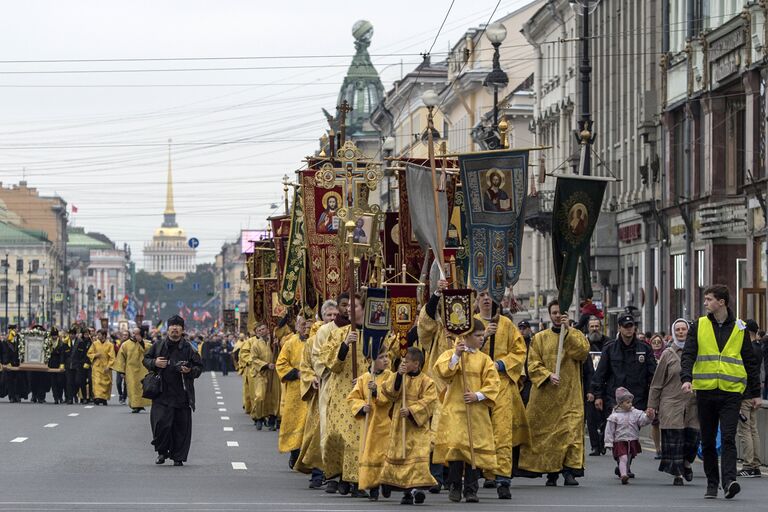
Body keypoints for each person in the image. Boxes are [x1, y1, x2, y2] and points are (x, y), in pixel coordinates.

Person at [680, 285, 762, 499]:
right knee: (707, 440)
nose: (705, 303)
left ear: (722, 302)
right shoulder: (698, 325)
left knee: (727, 438)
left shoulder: (739, 327)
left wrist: (755, 393)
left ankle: (729, 481)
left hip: (731, 392)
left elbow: (749, 361)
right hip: (706, 392)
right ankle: (711, 482)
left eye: (709, 299)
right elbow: (688, 354)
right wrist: (687, 378)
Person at [518, 300, 590, 486]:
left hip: (570, 395)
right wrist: (547, 375)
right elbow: (532, 364)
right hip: (546, 397)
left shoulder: (577, 335)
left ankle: (569, 471)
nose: (558, 316)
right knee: (548, 436)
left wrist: (568, 332)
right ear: (550, 315)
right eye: (555, 312)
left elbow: (581, 353)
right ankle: (551, 472)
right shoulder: (539, 338)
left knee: (570, 433)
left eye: (561, 313)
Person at [433, 318, 500, 503]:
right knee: (456, 450)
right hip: (455, 409)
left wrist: (478, 395)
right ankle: (455, 486)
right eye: (478, 335)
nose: (481, 338)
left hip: (476, 412)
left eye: (482, 335)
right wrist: (456, 355)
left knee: (473, 451)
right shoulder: (451, 354)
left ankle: (471, 489)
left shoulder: (484, 359)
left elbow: (494, 383)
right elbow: (442, 372)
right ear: (467, 336)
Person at [474, 291, 529, 499]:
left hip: (502, 383)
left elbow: (519, 351)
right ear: (477, 300)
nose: (486, 298)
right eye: (482, 294)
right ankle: (486, 472)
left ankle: (503, 478)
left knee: (502, 430)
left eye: (490, 295)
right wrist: (484, 336)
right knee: (481, 430)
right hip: (478, 383)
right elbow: (463, 349)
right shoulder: (472, 323)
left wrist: (502, 363)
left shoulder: (506, 324)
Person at [319, 294, 369, 497]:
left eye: (354, 306)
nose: (349, 309)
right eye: (347, 306)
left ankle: (357, 481)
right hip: (341, 391)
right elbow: (330, 363)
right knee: (337, 436)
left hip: (364, 391)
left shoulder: (376, 334)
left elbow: (386, 358)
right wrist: (345, 345)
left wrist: (368, 379)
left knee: (358, 438)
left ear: (363, 308)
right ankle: (338, 474)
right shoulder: (339, 334)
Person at [379, 346, 438, 504]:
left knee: (418, 457)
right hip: (400, 425)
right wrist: (399, 374)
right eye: (402, 361)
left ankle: (415, 489)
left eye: (406, 361)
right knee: (400, 456)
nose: (403, 364)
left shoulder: (428, 381)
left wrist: (412, 410)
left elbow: (430, 401)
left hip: (418, 427)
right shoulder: (400, 375)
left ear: (416, 364)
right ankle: (397, 487)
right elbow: (389, 392)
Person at [143, 315, 203, 466]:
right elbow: (146, 360)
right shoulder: (158, 345)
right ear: (168, 329)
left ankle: (178, 456)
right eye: (172, 326)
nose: (175, 329)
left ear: (182, 330)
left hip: (182, 394)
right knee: (161, 425)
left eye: (178, 326)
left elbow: (199, 367)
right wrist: (155, 362)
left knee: (181, 427)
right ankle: (162, 452)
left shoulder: (190, 347)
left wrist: (189, 371)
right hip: (161, 393)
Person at [647, 318, 699, 486]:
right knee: (675, 439)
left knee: (693, 438)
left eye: (684, 329)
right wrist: (652, 406)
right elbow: (656, 382)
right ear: (673, 332)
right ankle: (678, 474)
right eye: (678, 330)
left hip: (693, 402)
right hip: (671, 402)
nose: (681, 332)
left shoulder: (698, 352)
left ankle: (687, 462)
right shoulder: (667, 354)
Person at [295, 300, 338, 488]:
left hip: (339, 394)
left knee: (336, 433)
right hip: (320, 393)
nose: (332, 318)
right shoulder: (313, 340)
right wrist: (312, 377)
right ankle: (318, 472)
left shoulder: (344, 335)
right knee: (317, 434)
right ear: (322, 316)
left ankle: (334, 473)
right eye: (328, 315)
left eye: (335, 315)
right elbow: (304, 366)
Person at [313, 293, 349, 494]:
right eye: (343, 305)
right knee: (331, 432)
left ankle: (349, 475)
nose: (345, 309)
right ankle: (332, 474)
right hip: (332, 385)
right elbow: (318, 358)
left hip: (354, 387)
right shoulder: (325, 331)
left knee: (352, 434)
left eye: (347, 306)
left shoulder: (357, 330)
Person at [347, 347, 393, 501]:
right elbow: (353, 397)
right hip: (369, 425)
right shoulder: (363, 378)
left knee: (385, 454)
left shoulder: (390, 376)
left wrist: (375, 392)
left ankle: (386, 482)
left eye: (387, 356)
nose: (386, 360)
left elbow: (391, 396)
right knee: (371, 456)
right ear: (370, 361)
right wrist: (361, 407)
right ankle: (373, 488)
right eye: (381, 357)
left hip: (386, 423)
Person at [592, 314, 657, 418]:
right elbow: (600, 374)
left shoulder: (644, 348)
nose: (628, 329)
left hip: (638, 400)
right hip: (614, 400)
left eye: (630, 326)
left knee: (632, 432)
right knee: (614, 432)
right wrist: (598, 396)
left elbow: (653, 376)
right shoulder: (610, 348)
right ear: (619, 328)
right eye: (625, 326)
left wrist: (652, 400)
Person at [276, 315, 311, 469]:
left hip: (313, 389)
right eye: (302, 325)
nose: (305, 328)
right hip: (296, 390)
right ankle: (295, 452)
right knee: (296, 422)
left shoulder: (316, 342)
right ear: (297, 326)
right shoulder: (290, 343)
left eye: (308, 325)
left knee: (309, 424)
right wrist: (296, 373)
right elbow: (281, 364)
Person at [604, 387, 654, 484]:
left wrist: (649, 416)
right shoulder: (614, 416)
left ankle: (623, 470)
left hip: (632, 439)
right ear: (620, 403)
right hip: (620, 440)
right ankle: (623, 475)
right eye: (627, 402)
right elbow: (609, 430)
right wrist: (608, 442)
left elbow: (643, 421)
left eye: (630, 402)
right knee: (623, 457)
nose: (630, 404)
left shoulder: (635, 413)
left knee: (628, 458)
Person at [737, 319, 763, 478]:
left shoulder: (748, 350)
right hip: (754, 393)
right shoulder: (759, 348)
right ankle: (756, 464)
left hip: (744, 394)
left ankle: (748, 464)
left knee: (744, 430)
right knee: (753, 429)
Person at [113, 327, 152, 413]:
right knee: (132, 387)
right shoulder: (125, 345)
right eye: (134, 333)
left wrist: (141, 342)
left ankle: (139, 405)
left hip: (143, 369)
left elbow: (149, 351)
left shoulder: (146, 343)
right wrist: (121, 371)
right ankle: (135, 406)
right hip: (130, 370)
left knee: (141, 387)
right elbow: (121, 359)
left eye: (137, 333)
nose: (135, 335)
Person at [248, 323, 278, 431]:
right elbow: (254, 359)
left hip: (273, 373)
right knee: (260, 396)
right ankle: (259, 418)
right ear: (257, 333)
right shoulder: (256, 344)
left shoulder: (273, 342)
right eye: (259, 330)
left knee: (273, 396)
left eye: (263, 329)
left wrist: (277, 346)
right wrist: (265, 365)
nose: (262, 331)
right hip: (261, 373)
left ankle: (272, 419)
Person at [87, 329, 115, 406]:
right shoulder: (95, 344)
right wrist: (95, 355)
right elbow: (89, 353)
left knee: (106, 383)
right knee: (96, 382)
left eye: (99, 335)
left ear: (104, 335)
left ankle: (104, 398)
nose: (97, 336)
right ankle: (97, 397)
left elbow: (112, 357)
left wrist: (109, 366)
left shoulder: (110, 345)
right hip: (97, 366)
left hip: (106, 367)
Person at [114, 330, 129, 404]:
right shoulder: (118, 343)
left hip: (128, 366)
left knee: (126, 383)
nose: (124, 336)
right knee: (118, 382)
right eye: (123, 335)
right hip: (119, 365)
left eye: (126, 335)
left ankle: (124, 396)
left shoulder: (130, 344)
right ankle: (120, 394)